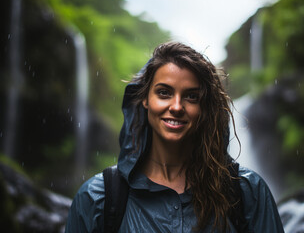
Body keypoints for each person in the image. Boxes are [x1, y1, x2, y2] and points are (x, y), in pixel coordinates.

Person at [65, 42, 284, 232]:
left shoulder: (246, 193)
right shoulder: (100, 199)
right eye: (164, 92)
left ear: (204, 108)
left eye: (191, 96)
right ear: (145, 99)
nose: (177, 106)